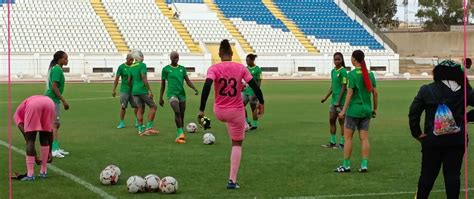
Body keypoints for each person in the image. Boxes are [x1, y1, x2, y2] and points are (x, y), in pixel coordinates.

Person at [198, 39, 265, 189]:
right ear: (232, 53)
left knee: (229, 121)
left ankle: (236, 125)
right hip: (235, 112)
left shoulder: (213, 68)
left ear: (220, 53)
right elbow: (254, 85)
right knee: (236, 144)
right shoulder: (241, 68)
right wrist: (261, 102)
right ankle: (232, 181)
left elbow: (207, 86)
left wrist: (201, 109)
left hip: (219, 111)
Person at [409, 60, 473, 199]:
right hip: (457, 140)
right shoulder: (466, 91)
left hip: (433, 140)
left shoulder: (427, 89)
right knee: (453, 175)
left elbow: (414, 112)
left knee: (427, 175)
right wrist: (467, 117)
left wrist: (417, 133)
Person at [335, 50, 378, 173]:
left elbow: (349, 94)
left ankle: (346, 165)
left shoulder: (352, 74)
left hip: (354, 110)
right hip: (366, 110)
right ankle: (364, 165)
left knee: (348, 138)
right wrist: (375, 109)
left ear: (354, 59)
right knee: (364, 138)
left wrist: (343, 111)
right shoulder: (370, 74)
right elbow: (375, 93)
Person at [159, 51, 199, 144]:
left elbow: (187, 81)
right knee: (177, 111)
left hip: (181, 94)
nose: (176, 59)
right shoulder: (166, 69)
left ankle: (179, 132)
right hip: (172, 94)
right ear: (170, 58)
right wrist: (161, 97)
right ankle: (180, 132)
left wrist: (194, 88)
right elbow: (163, 84)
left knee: (181, 114)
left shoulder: (182, 69)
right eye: (174, 57)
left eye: (177, 57)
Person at [14, 95, 56, 181]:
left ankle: (30, 175)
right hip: (49, 102)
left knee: (30, 139)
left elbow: (28, 138)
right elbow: (49, 132)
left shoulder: (17, 116)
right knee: (44, 136)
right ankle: (43, 172)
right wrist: (50, 151)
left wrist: (35, 156)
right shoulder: (22, 110)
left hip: (34, 105)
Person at [44, 51, 70, 158]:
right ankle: (54, 149)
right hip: (52, 99)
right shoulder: (57, 70)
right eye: (65, 58)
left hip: (53, 99)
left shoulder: (56, 69)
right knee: (55, 124)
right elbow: (54, 87)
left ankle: (55, 146)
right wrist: (63, 100)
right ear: (60, 59)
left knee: (56, 124)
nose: (67, 60)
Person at [128, 50, 159, 136]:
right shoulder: (142, 65)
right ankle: (149, 127)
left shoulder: (131, 67)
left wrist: (133, 87)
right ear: (139, 57)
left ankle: (140, 130)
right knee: (153, 107)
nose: (143, 57)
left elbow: (129, 81)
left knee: (139, 109)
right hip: (143, 90)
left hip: (135, 91)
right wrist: (149, 90)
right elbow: (144, 77)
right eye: (142, 55)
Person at [321, 52, 347, 149]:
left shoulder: (343, 72)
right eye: (335, 59)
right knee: (331, 120)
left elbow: (344, 87)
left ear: (342, 60)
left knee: (342, 122)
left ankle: (342, 143)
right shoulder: (333, 71)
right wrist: (325, 97)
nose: (336, 61)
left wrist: (338, 101)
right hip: (333, 102)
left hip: (341, 102)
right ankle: (332, 142)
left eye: (338, 59)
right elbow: (333, 86)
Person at [113, 52, 138, 129]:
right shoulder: (121, 67)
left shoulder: (134, 66)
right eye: (130, 60)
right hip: (124, 90)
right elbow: (117, 79)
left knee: (136, 106)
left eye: (132, 60)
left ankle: (138, 121)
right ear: (126, 59)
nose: (131, 61)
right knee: (123, 107)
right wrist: (114, 89)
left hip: (133, 90)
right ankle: (122, 122)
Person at [242, 54, 262, 131]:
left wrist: (256, 91)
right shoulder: (246, 68)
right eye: (246, 60)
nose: (246, 61)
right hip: (245, 91)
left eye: (247, 60)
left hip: (253, 91)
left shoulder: (257, 69)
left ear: (252, 60)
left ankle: (254, 124)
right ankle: (247, 122)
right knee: (241, 105)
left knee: (253, 108)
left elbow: (259, 81)